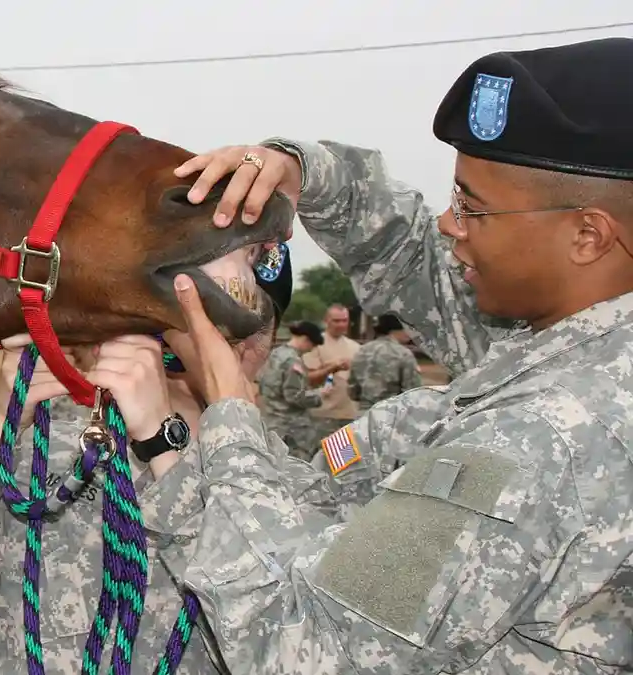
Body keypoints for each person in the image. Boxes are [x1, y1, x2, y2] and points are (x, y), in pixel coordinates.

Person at [160, 37, 633, 671]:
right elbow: (413, 259)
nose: (448, 223)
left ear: (586, 236)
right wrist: (304, 172)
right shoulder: (575, 343)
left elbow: (302, 646)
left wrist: (228, 414)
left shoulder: (549, 432)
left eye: (473, 206)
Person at [0, 247, 311, 675]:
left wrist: (164, 448)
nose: (223, 343)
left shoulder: (287, 488)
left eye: (241, 325)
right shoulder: (53, 446)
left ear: (265, 344)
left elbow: (290, 651)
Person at [255, 319, 331, 460]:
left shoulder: (276, 353)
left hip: (272, 422)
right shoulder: (292, 361)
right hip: (291, 429)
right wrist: (319, 394)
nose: (311, 350)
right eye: (312, 345)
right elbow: (294, 396)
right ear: (305, 339)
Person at [302, 304, 360, 448]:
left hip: (348, 416)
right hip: (322, 416)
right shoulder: (314, 344)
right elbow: (308, 379)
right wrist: (331, 368)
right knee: (318, 463)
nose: (341, 324)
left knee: (343, 464)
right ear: (326, 321)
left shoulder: (356, 347)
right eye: (336, 321)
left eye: (344, 320)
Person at [347, 312, 423, 409]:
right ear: (396, 329)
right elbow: (413, 394)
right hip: (390, 417)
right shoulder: (403, 354)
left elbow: (353, 392)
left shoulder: (362, 351)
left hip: (363, 417)